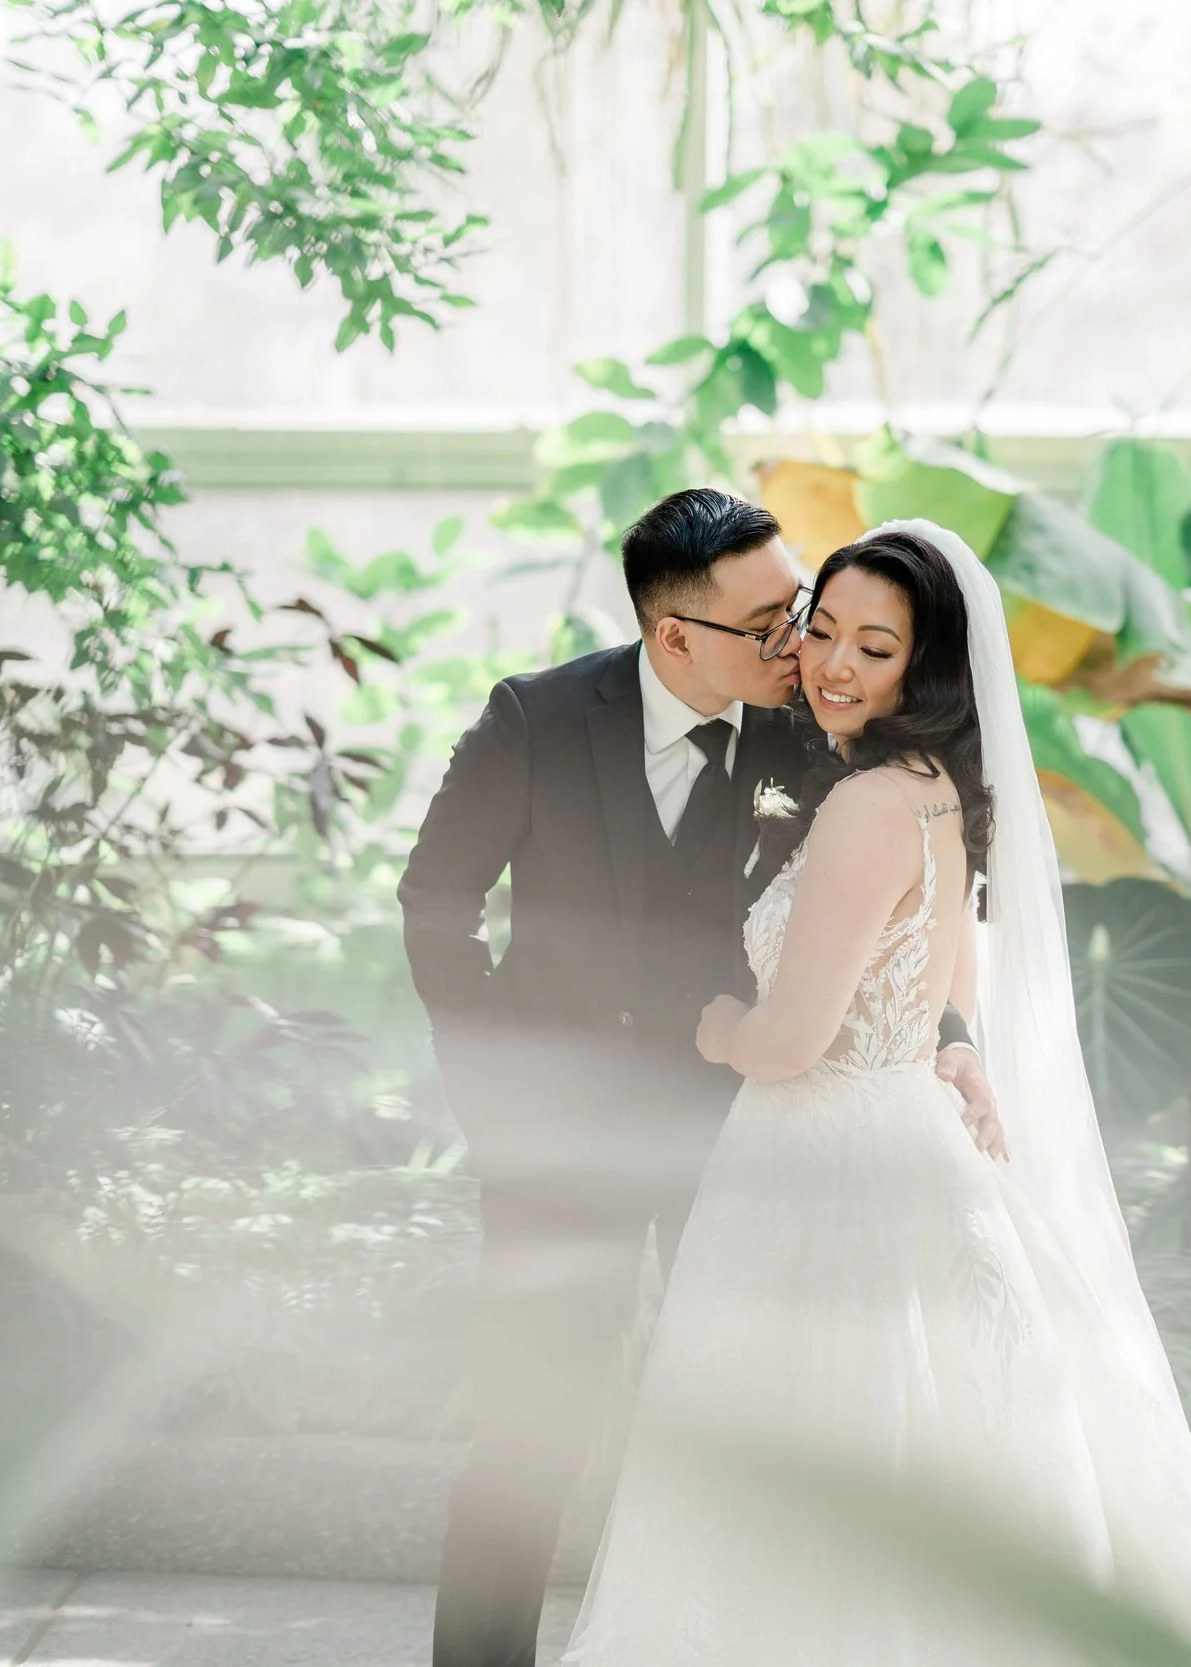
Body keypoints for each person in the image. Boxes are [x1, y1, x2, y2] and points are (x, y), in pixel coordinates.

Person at [561, 522, 1191, 1667]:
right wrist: (954, 1044)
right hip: (907, 1127)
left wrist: (702, 1020)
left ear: (927, 669)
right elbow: (943, 971)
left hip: (821, 1156)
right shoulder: (936, 790)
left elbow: (788, 1040)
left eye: (876, 646)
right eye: (820, 630)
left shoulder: (868, 804)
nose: (831, 664)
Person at [398, 489, 999, 1667]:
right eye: (775, 622)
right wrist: (498, 1097)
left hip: (750, 1139)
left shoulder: (820, 736)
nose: (806, 646)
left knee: (748, 1435)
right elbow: (435, 903)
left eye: (808, 614)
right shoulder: (537, 717)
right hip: (555, 1150)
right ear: (678, 635)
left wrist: (956, 1032)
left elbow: (909, 909)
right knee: (527, 1439)